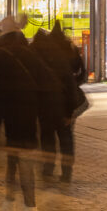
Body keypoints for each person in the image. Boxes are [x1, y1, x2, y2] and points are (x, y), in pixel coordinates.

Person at [0, 24, 50, 211]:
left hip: (9, 118)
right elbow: (45, 85)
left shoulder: (0, 57)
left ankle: (17, 205)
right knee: (23, 162)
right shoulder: (32, 57)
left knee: (14, 161)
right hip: (29, 117)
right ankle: (25, 207)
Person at [33, 27, 87, 183]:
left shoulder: (40, 60)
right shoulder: (65, 54)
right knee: (65, 139)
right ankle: (66, 172)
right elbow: (76, 79)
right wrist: (69, 112)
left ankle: (48, 168)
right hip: (63, 106)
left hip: (45, 108)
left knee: (48, 138)